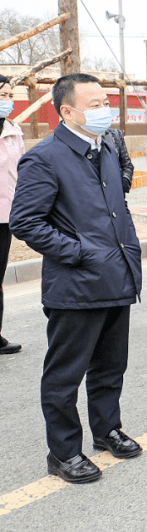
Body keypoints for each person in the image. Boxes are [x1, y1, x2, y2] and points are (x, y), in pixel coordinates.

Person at [10, 73, 143, 483]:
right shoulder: (45, 157)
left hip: (116, 276)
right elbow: (25, 221)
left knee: (109, 367)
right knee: (65, 374)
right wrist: (80, 252)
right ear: (67, 111)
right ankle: (64, 452)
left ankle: (107, 430)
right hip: (76, 286)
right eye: (96, 103)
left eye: (107, 101)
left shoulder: (102, 148)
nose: (106, 109)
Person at [0, 76, 24, 355]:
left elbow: (21, 174)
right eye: (3, 94)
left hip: (5, 216)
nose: (7, 100)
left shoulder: (13, 131)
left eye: (9, 95)